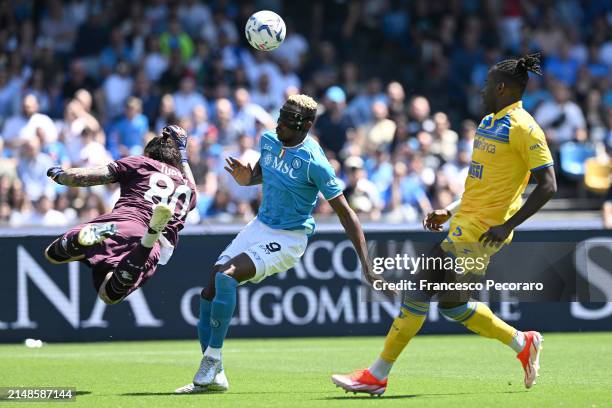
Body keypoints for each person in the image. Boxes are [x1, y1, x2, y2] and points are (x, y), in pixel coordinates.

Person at [331, 53, 557, 395]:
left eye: (486, 85)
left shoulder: (524, 127)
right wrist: (448, 210)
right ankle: (522, 342)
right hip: (464, 222)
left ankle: (377, 374)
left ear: (501, 87)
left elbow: (549, 185)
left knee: (417, 288)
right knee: (454, 306)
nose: (481, 91)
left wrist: (508, 225)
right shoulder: (487, 124)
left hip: (482, 231)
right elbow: (480, 183)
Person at [175, 94, 376, 393]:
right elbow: (263, 171)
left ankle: (211, 360)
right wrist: (248, 179)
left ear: (307, 125)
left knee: (226, 276)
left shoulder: (315, 162)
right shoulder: (269, 139)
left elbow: (346, 214)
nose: (280, 125)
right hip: (259, 225)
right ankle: (216, 377)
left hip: (289, 238)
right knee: (210, 289)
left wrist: (366, 265)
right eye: (280, 117)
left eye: (288, 121)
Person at [43, 126, 196, 305]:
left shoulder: (141, 163)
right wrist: (183, 154)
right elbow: (192, 184)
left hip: (123, 224)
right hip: (153, 248)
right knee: (109, 294)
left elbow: (90, 176)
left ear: (149, 154)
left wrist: (61, 176)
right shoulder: (188, 189)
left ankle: (76, 243)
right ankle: (147, 241)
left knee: (52, 254)